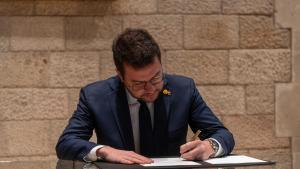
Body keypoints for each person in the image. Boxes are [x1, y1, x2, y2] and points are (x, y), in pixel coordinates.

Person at [56, 28, 235, 164]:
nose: (150, 88)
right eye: (139, 83)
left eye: (156, 77)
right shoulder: (96, 96)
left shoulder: (183, 89)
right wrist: (104, 150)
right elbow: (66, 143)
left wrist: (209, 146)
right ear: (120, 75)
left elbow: (222, 134)